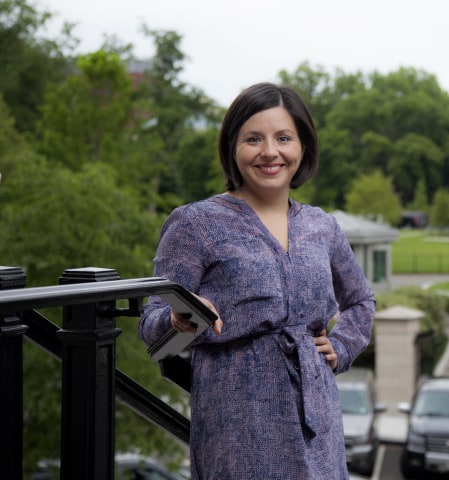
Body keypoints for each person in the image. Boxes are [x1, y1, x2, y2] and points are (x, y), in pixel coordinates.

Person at [138, 82, 376, 479]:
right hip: (237, 420)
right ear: (233, 147)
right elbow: (152, 324)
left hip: (318, 416)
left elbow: (361, 300)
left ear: (303, 147)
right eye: (253, 139)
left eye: (284, 137)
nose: (270, 151)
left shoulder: (322, 226)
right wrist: (181, 318)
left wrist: (341, 346)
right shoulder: (196, 223)